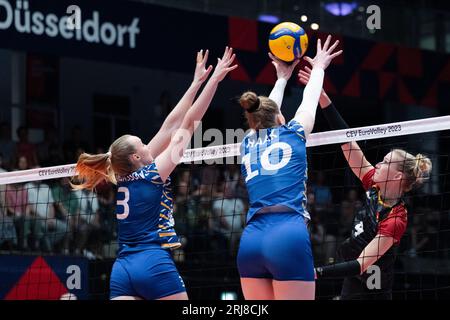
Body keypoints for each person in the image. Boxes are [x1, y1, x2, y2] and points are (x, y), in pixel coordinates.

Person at [71, 47, 237, 300]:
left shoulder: (124, 176)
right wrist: (215, 81)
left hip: (123, 269)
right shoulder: (152, 174)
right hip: (153, 263)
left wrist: (195, 83)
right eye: (142, 143)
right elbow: (188, 125)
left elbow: (170, 125)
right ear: (136, 156)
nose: (148, 144)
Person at [298, 66, 433, 299]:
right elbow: (347, 143)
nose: (377, 164)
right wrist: (323, 98)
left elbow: (362, 264)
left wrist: (315, 272)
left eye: (385, 162)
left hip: (373, 290)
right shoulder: (374, 185)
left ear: (398, 176)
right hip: (353, 280)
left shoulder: (395, 219)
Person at [237, 35, 342, 300]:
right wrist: (319, 67)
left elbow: (264, 113)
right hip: (287, 233)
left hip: (251, 240)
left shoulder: (248, 141)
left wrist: (281, 78)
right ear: (282, 117)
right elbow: (309, 99)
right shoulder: (294, 132)